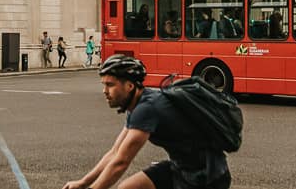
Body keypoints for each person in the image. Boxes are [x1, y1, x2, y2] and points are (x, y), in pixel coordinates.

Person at [63, 55, 231, 189]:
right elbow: (115, 152)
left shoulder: (147, 108)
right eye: (104, 84)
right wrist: (83, 183)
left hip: (208, 177)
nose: (104, 91)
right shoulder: (137, 103)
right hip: (181, 168)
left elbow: (121, 162)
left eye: (110, 85)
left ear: (129, 86)